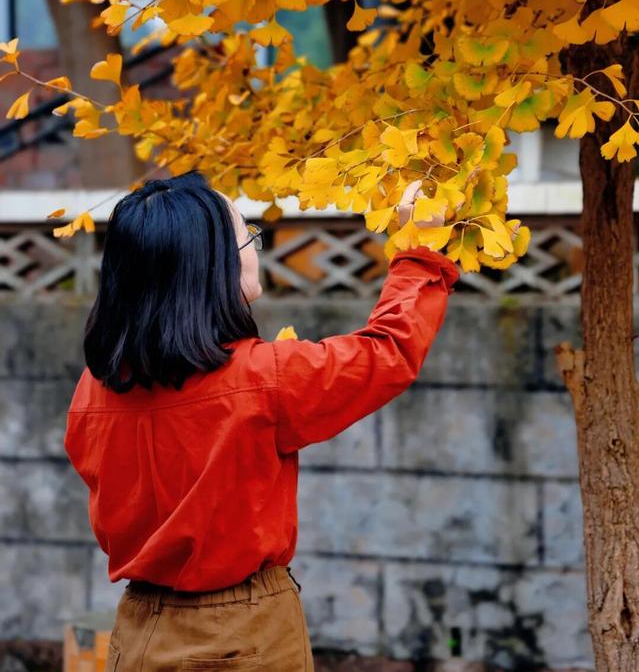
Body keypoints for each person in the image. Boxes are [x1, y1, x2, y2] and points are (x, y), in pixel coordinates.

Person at [63, 170, 460, 672]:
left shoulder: (92, 390)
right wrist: (418, 251)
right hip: (243, 633)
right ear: (208, 265)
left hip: (138, 631)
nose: (254, 247)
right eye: (246, 234)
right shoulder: (262, 378)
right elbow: (388, 353)